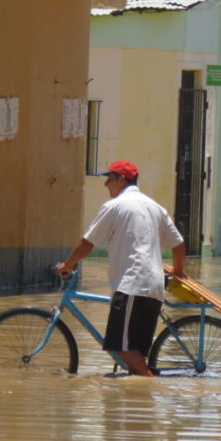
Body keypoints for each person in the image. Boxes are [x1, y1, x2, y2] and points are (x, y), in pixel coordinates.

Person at [57, 160, 186, 377]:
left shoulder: (115, 207)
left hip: (132, 285)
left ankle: (150, 387)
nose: (106, 184)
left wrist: (67, 265)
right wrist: (178, 271)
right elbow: (179, 245)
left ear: (122, 180)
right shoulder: (156, 207)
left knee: (119, 346)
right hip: (154, 287)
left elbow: (87, 243)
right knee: (134, 352)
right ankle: (138, 407)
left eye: (110, 178)